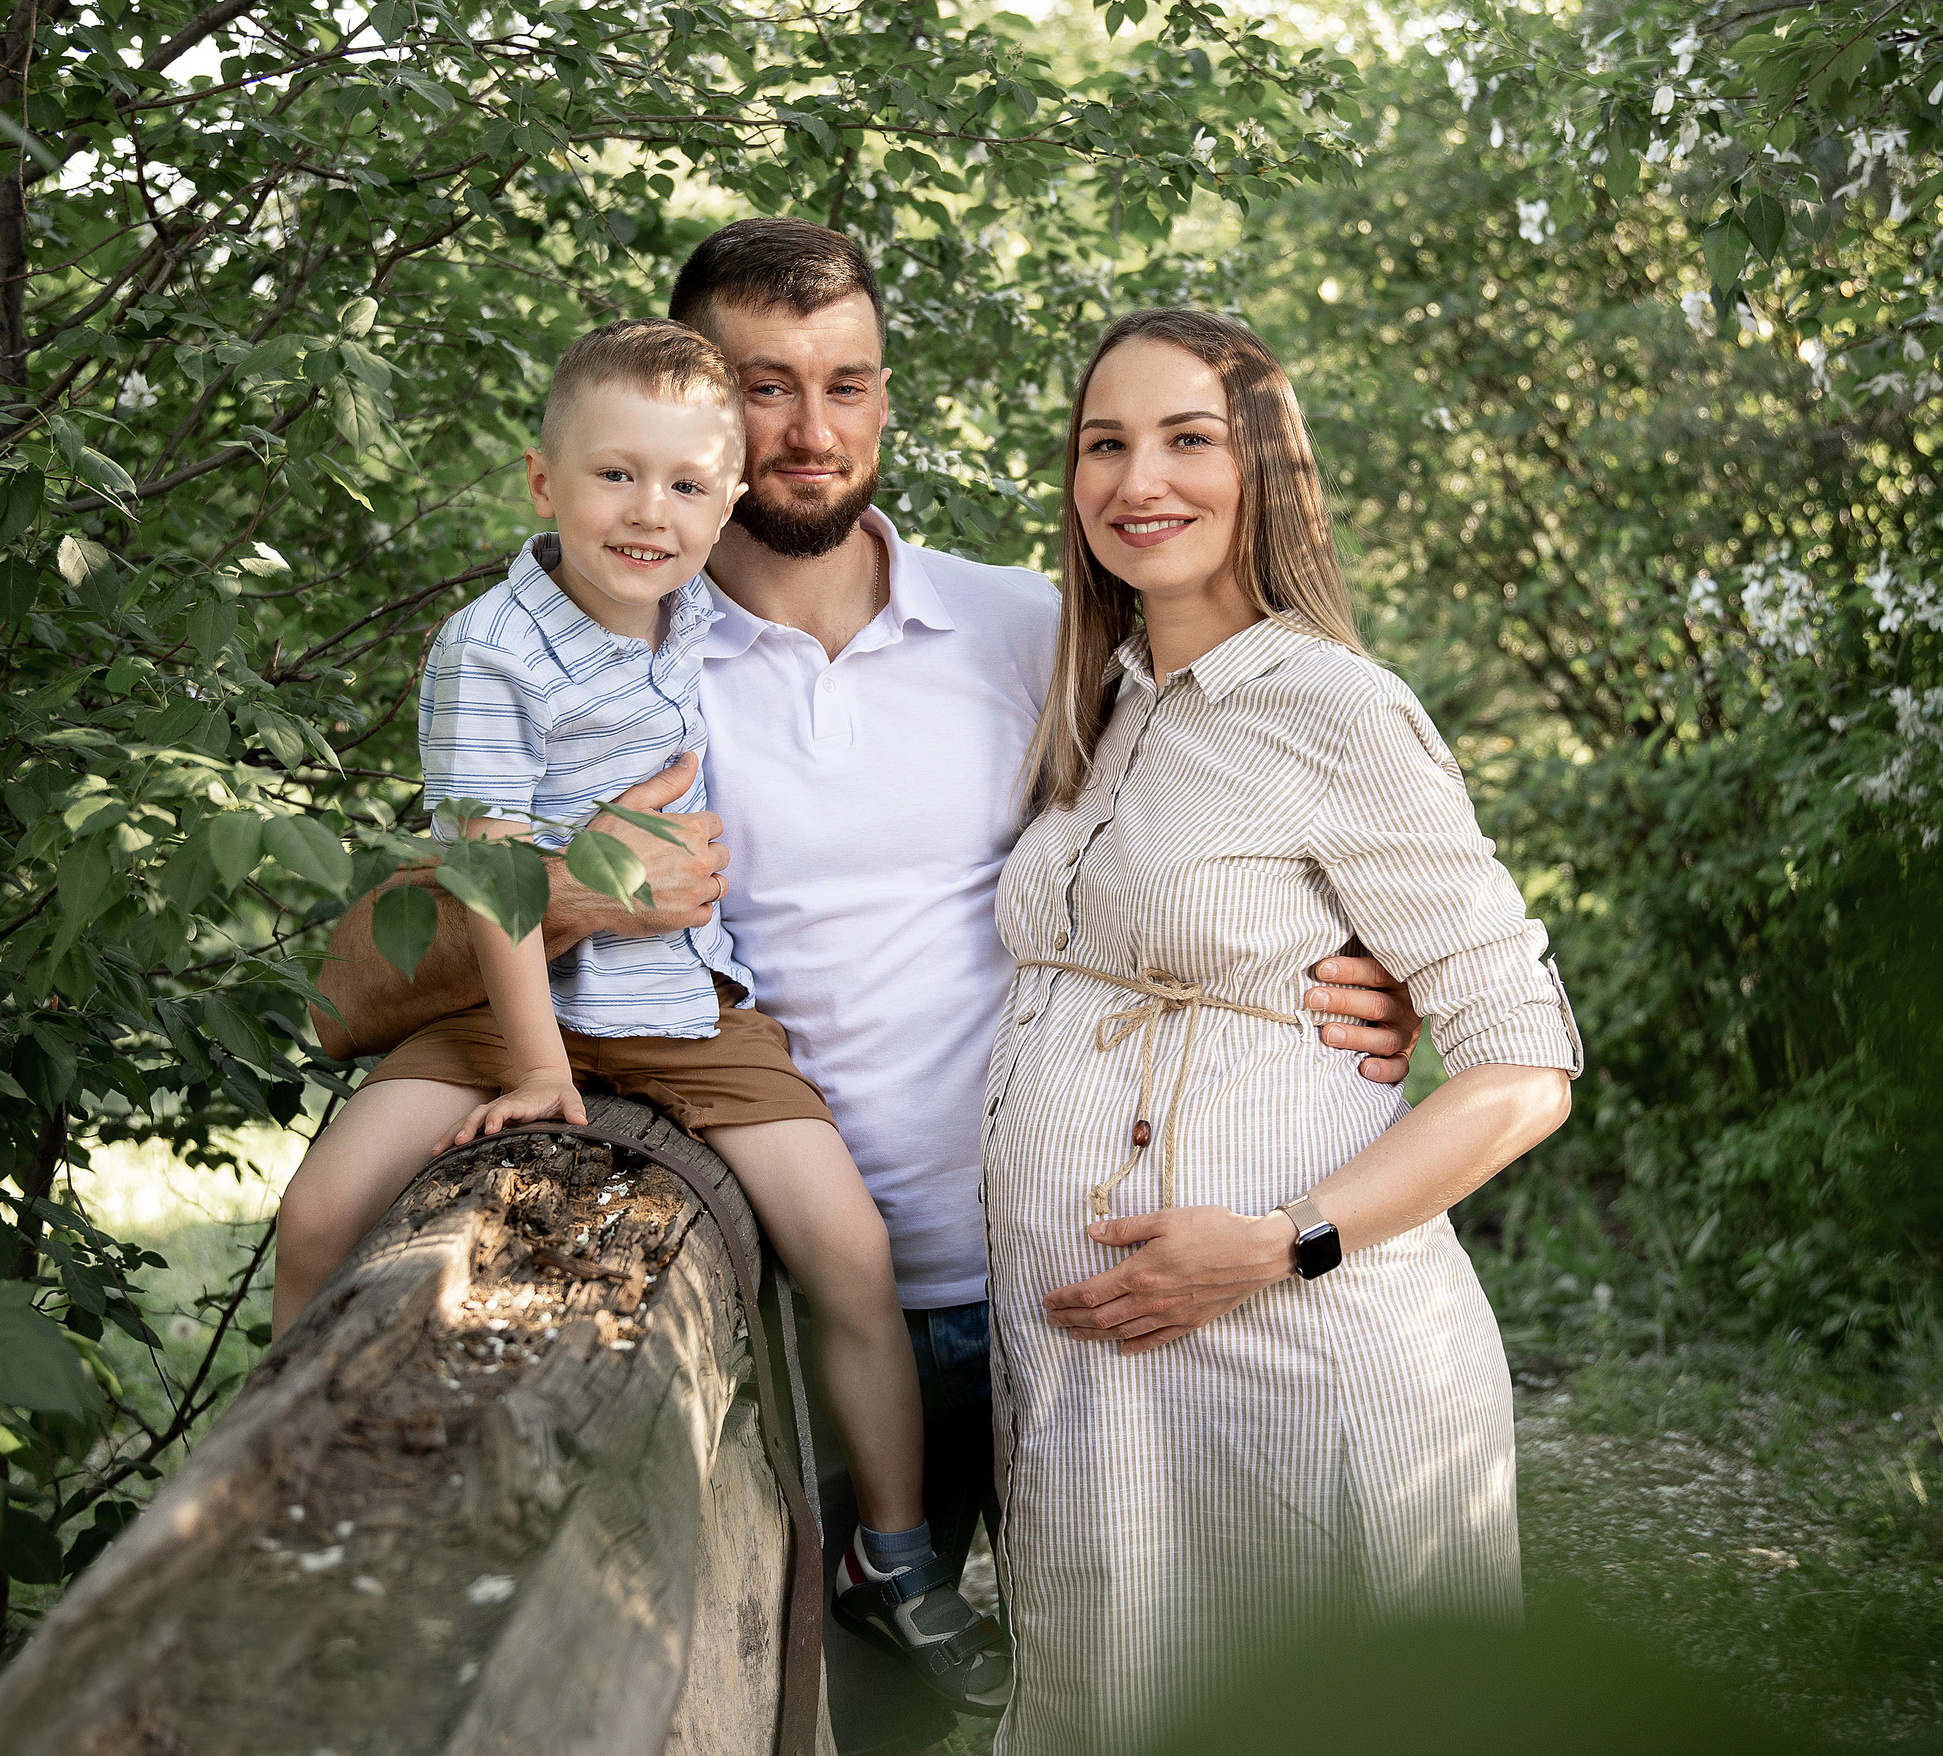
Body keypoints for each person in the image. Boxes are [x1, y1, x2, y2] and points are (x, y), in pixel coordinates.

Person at [307, 220, 1424, 1754]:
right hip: (791, 1304)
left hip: (1074, 1281)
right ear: (697, 403)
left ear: (889, 397)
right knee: (854, 1718)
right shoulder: (617, 647)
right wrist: (569, 898)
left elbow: (1229, 834)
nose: (813, 429)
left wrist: (1365, 967)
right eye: (765, 387)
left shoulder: (1027, 631)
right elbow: (360, 977)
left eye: (850, 383)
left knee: (1176, 1690)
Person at [274, 317, 1008, 1710]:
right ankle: (299, 1492)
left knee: (851, 1252)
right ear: (541, 480)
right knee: (321, 1216)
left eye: (684, 486)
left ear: (726, 509)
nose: (647, 514)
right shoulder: (488, 650)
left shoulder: (700, 621)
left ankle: (898, 1555)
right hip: (511, 1012)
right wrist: (537, 1068)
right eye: (615, 476)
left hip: (687, 1006)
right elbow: (492, 881)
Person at [982, 308, 1582, 1755]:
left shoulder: (1337, 707)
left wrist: (1279, 1243)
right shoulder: (1099, 707)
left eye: (1188, 439)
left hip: (1296, 1357)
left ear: (1264, 466)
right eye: (1104, 444)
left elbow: (1525, 1067)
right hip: (1113, 1380)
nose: (1140, 480)